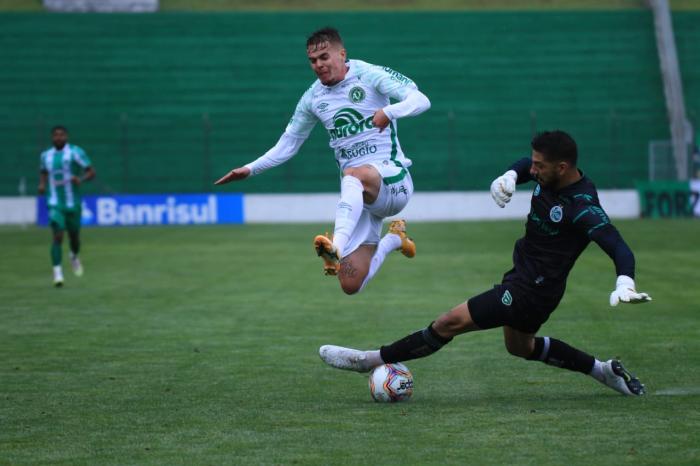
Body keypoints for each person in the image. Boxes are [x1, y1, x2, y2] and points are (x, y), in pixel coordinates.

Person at [319, 130, 652, 396]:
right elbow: (526, 163)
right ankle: (602, 370)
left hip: (530, 291)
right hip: (527, 280)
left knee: (448, 322)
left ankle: (368, 360)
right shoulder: (551, 173)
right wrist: (509, 175)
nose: (532, 170)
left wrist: (625, 280)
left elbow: (617, 245)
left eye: (539, 167)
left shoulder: (582, 206)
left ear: (561, 168)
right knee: (520, 347)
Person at [214, 27, 431, 294]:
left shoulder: (369, 74)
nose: (318, 65)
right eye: (313, 61)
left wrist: (389, 110)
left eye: (324, 57)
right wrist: (249, 169)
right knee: (351, 284)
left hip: (393, 181)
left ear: (342, 54)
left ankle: (335, 247)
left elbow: (420, 100)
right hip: (362, 196)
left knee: (353, 173)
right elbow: (289, 142)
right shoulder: (313, 97)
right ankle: (394, 239)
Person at [38, 126, 95, 287]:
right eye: (55, 135)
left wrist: (81, 179)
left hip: (73, 203)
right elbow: (43, 171)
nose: (58, 138)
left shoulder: (76, 152)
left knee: (74, 238)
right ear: (52, 138)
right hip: (55, 202)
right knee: (57, 235)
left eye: (61, 135)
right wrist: (42, 185)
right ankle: (57, 273)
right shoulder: (45, 156)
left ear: (67, 137)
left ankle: (74, 255)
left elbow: (91, 172)